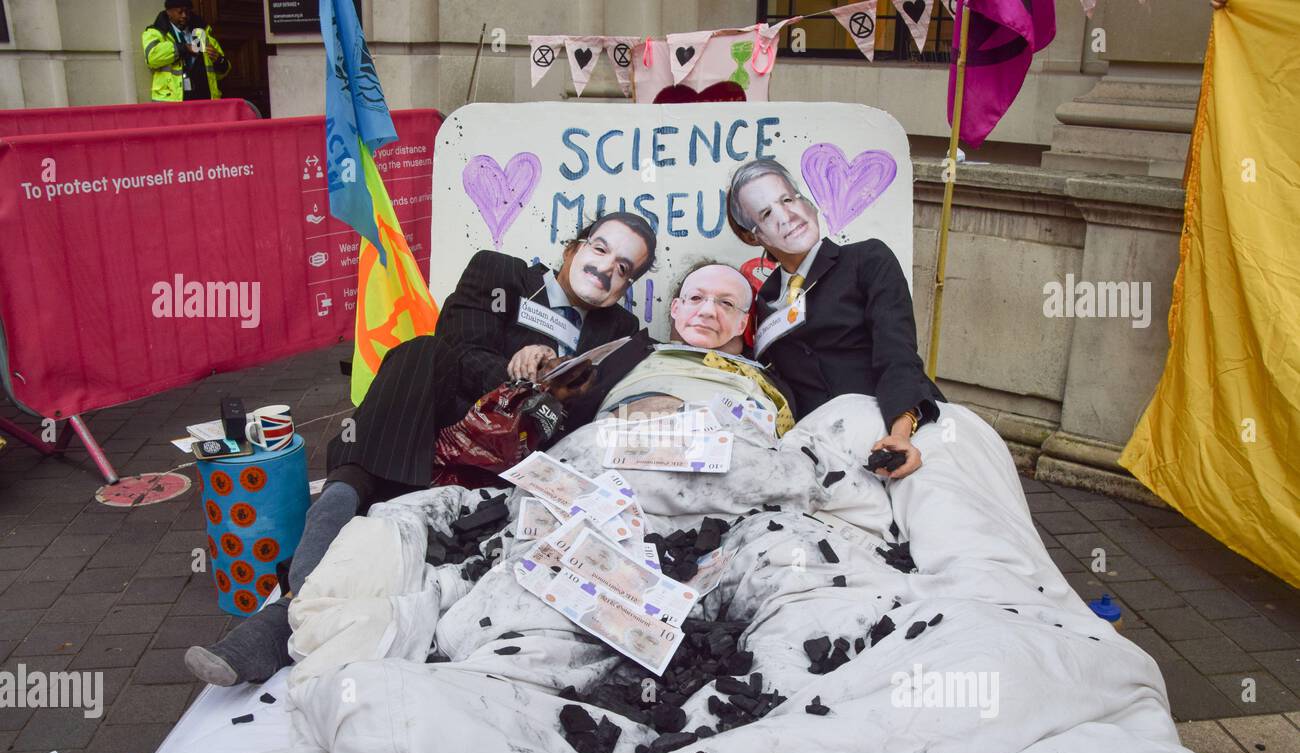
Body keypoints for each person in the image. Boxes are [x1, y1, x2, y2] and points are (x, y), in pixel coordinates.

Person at [185, 212, 656, 686]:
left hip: (511, 466)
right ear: (574, 248)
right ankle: (341, 497)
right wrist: (516, 372)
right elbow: (459, 346)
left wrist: (554, 395)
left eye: (623, 268)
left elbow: (584, 416)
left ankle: (288, 617)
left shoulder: (619, 333)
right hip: (430, 435)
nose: (605, 269)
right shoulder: (500, 273)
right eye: (600, 249)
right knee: (421, 352)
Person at [725, 158, 944, 479]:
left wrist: (900, 435)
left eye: (788, 199)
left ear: (808, 203)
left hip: (903, 424)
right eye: (767, 213)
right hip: (822, 449)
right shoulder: (765, 300)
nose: (786, 216)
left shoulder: (867, 259)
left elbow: (896, 354)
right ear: (754, 236)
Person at [581, 261, 796, 436]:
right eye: (695, 298)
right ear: (676, 308)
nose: (708, 311)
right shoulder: (626, 354)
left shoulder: (767, 382)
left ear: (742, 324)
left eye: (727, 303)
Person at [143, 1, 230, 102]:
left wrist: (219, 60)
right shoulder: (155, 32)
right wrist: (183, 48)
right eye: (180, 12)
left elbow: (224, 71)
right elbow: (152, 58)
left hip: (204, 100)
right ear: (168, 12)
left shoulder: (202, 32)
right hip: (172, 102)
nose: (184, 16)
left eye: (187, 12)